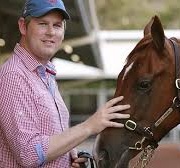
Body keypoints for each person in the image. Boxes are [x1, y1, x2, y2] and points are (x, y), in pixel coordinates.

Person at [0, 0, 130, 167]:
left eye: (57, 25)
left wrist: (67, 157)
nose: (51, 32)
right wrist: (89, 126)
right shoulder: (14, 76)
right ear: (23, 27)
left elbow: (47, 140)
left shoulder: (44, 75)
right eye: (42, 24)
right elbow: (29, 154)